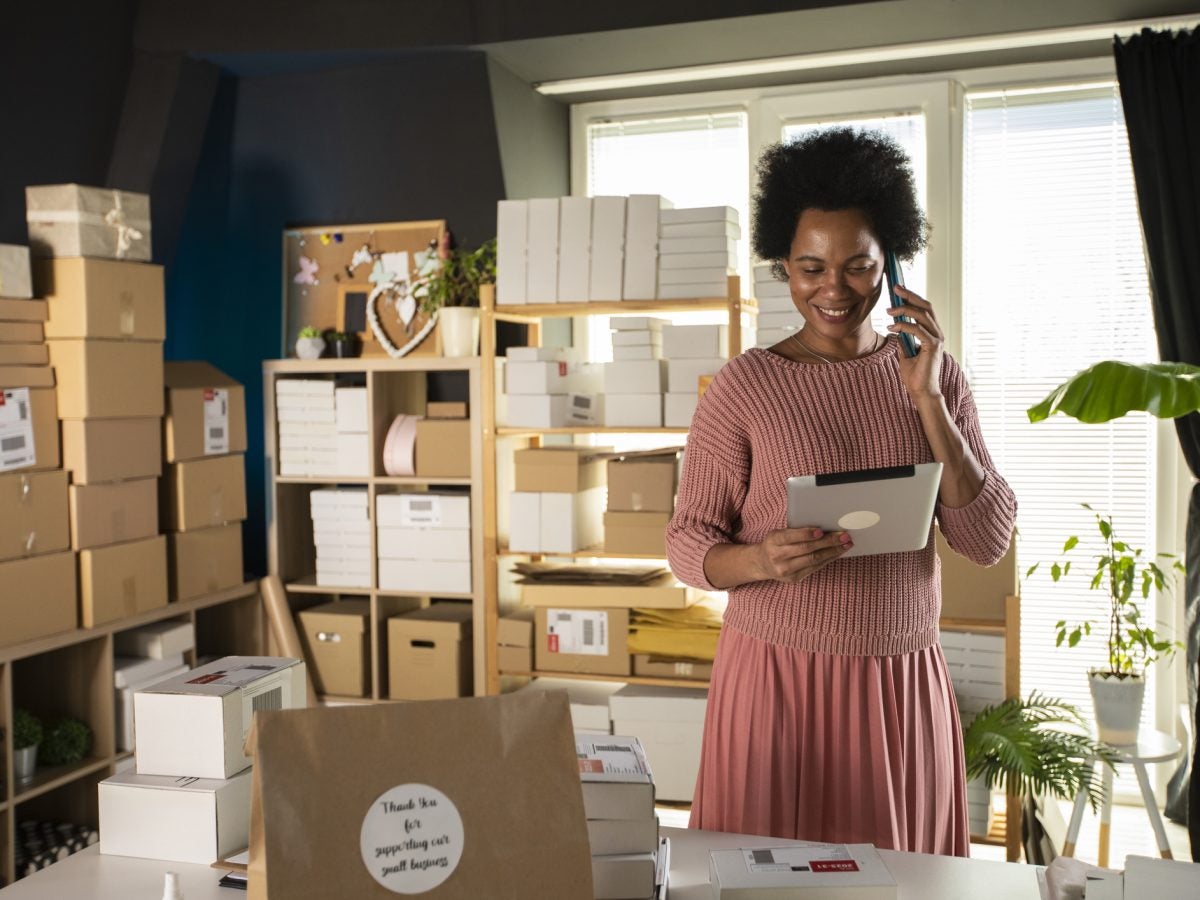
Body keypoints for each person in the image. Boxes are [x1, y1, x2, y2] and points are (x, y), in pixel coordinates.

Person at [665, 127, 1017, 856]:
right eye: (810, 268)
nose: (833, 289)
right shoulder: (745, 387)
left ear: (889, 265)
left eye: (857, 267)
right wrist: (762, 560)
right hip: (777, 680)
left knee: (895, 878)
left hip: (898, 682)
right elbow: (687, 542)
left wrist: (929, 402)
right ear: (783, 267)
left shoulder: (936, 376)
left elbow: (986, 540)